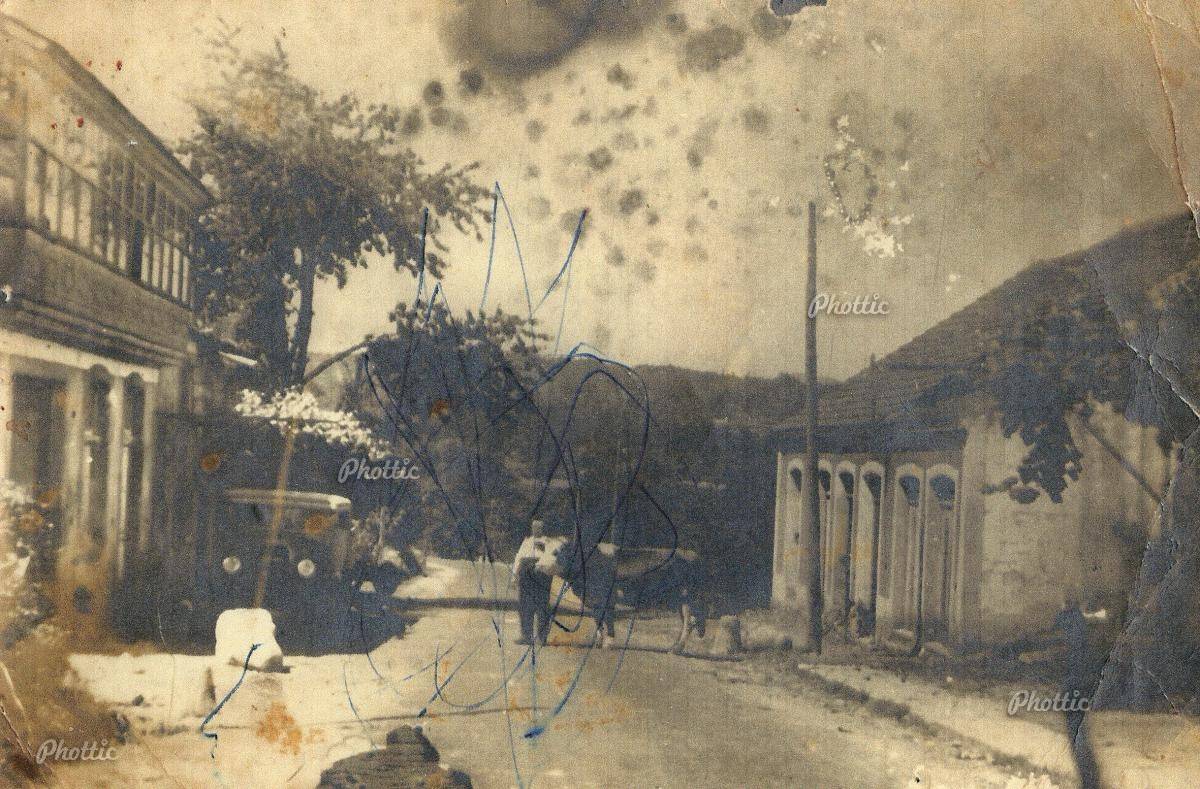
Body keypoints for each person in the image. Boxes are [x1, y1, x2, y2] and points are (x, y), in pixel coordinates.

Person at [512, 520, 553, 645]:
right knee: (525, 605)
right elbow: (518, 558)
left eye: (539, 527)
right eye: (534, 527)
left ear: (543, 529)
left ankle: (542, 636)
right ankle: (526, 636)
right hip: (526, 574)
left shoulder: (548, 542)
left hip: (541, 575)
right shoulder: (527, 541)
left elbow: (551, 558)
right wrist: (514, 576)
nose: (536, 530)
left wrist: (543, 551)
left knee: (542, 607)